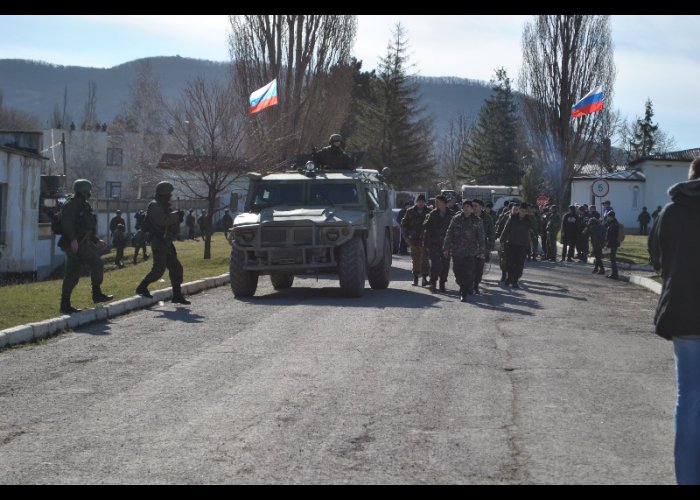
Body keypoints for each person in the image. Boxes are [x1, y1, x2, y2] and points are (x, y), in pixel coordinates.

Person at [648, 157, 700, 485]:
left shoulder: (671, 211)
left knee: (690, 397)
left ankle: (688, 478)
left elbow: (657, 259)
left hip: (685, 314)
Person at [58, 179, 114, 314]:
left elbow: (87, 226)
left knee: (73, 274)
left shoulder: (84, 205)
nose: (89, 193)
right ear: (83, 191)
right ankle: (96, 294)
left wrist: (95, 240)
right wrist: (73, 240)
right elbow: (67, 223)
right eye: (88, 191)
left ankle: (65, 305)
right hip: (74, 243)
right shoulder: (71, 204)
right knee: (95, 263)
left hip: (82, 241)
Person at [136, 181, 191, 305]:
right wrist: (177, 216)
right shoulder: (155, 205)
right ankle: (142, 287)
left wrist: (176, 216)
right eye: (168, 194)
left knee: (176, 268)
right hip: (158, 241)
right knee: (158, 269)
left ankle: (177, 296)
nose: (170, 196)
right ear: (163, 194)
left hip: (166, 241)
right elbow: (162, 220)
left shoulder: (163, 205)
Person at [443, 200, 485, 302]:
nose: (466, 208)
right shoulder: (456, 219)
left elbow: (481, 237)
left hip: (471, 251)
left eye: (468, 206)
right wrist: (446, 248)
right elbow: (449, 234)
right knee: (457, 272)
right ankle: (463, 286)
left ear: (472, 209)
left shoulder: (477, 220)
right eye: (464, 206)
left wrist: (482, 251)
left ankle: (464, 291)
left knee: (469, 273)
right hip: (457, 251)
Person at [423, 195, 452, 293]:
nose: (436, 204)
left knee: (445, 264)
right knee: (435, 264)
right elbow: (426, 230)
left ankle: (442, 283)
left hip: (447, 244)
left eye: (438, 202)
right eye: (435, 202)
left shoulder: (452, 214)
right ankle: (433, 283)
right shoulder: (432, 214)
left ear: (444, 203)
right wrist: (426, 244)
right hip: (434, 244)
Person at [499, 202, 532, 289]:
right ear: (518, 211)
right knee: (510, 263)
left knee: (519, 264)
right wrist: (502, 240)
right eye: (521, 211)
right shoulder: (512, 218)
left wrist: (531, 216)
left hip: (523, 245)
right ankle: (509, 277)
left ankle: (515, 280)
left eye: (525, 211)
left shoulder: (528, 220)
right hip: (511, 244)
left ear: (526, 212)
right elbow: (506, 229)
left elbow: (535, 228)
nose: (522, 213)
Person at [401, 194, 430, 286]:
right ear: (416, 202)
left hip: (425, 239)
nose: (420, 203)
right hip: (413, 239)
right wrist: (405, 237)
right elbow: (404, 224)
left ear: (424, 202)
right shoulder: (410, 211)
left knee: (424, 259)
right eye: (419, 201)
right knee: (415, 259)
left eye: (422, 201)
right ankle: (416, 278)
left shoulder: (429, 211)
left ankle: (424, 277)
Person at [472, 199, 494, 294]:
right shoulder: (468, 216)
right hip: (468, 247)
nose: (474, 208)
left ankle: (476, 285)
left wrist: (489, 247)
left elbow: (491, 234)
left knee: (479, 268)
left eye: (476, 206)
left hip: (482, 248)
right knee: (468, 267)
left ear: (481, 207)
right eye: (472, 206)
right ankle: (468, 285)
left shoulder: (487, 218)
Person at [604, 210, 620, 280]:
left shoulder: (613, 225)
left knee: (613, 259)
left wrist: (607, 245)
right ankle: (613, 273)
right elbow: (605, 225)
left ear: (610, 217)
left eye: (608, 217)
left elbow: (611, 236)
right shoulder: (613, 223)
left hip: (612, 244)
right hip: (613, 244)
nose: (607, 218)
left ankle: (614, 274)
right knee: (612, 259)